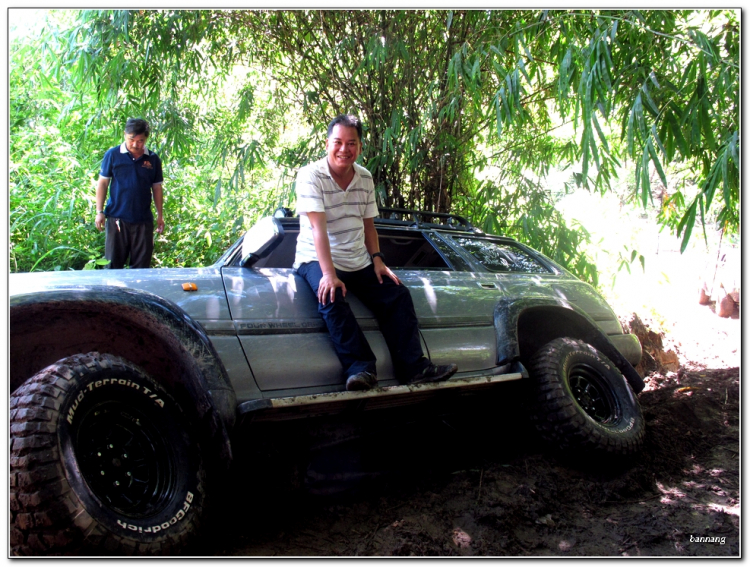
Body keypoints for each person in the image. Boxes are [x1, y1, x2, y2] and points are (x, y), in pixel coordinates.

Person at [294, 114, 458, 391]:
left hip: (358, 259)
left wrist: (378, 262)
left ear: (359, 147)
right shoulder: (311, 175)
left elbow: (369, 226)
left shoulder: (364, 177)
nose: (344, 149)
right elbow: (318, 229)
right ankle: (360, 368)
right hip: (316, 257)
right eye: (338, 142)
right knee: (331, 296)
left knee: (397, 295)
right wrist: (329, 275)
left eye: (351, 143)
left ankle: (414, 368)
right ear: (327, 144)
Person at [95, 118, 165, 269]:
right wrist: (99, 211)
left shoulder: (153, 159)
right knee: (113, 266)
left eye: (140, 141)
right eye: (131, 139)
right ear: (125, 135)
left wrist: (160, 215)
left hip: (143, 220)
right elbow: (103, 183)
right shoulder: (113, 155)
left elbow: (157, 188)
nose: (135, 144)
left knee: (141, 269)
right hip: (117, 219)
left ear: (146, 138)